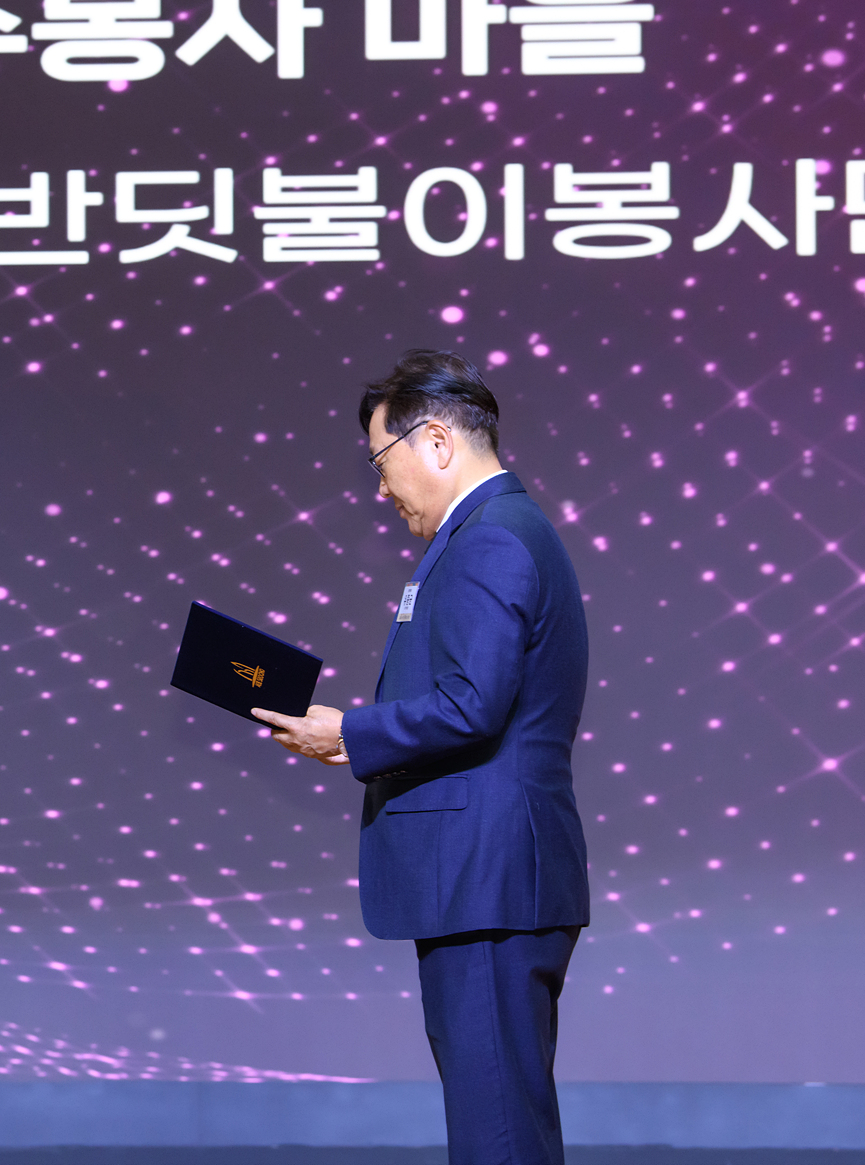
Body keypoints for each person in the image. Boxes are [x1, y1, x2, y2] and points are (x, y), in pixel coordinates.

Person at [257, 350, 591, 1165]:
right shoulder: (506, 529)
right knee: (505, 1122)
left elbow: (472, 705)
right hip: (495, 880)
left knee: (496, 1133)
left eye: (381, 461)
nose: (380, 488)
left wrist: (350, 733)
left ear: (436, 441)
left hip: (488, 881)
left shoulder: (489, 539)